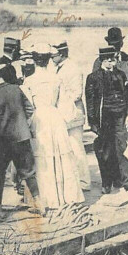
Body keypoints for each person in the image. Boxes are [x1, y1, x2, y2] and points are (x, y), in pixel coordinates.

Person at [23, 44, 85, 211]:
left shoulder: (28, 81)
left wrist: (28, 125)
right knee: (60, 156)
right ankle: (67, 197)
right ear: (48, 60)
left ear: (34, 61)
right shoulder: (56, 79)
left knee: (42, 158)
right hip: (55, 117)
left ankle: (46, 198)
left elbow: (27, 108)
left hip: (40, 118)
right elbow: (65, 104)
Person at [0, 60, 42, 215]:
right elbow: (29, 109)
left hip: (3, 142)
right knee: (29, 172)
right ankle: (40, 204)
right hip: (22, 137)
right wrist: (21, 124)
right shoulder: (16, 89)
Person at [86, 46, 128, 193]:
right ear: (102, 60)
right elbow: (90, 102)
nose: (112, 63)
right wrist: (93, 123)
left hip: (120, 116)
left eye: (113, 59)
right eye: (109, 60)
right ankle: (107, 183)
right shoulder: (93, 77)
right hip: (104, 119)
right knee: (106, 151)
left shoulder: (121, 75)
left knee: (123, 148)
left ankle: (127, 181)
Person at [52, 40, 91, 190]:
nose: (51, 59)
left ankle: (84, 182)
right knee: (67, 149)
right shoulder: (58, 68)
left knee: (77, 148)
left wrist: (57, 100)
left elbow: (76, 94)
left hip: (73, 114)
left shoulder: (73, 69)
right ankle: (73, 180)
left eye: (53, 56)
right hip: (63, 114)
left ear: (61, 54)